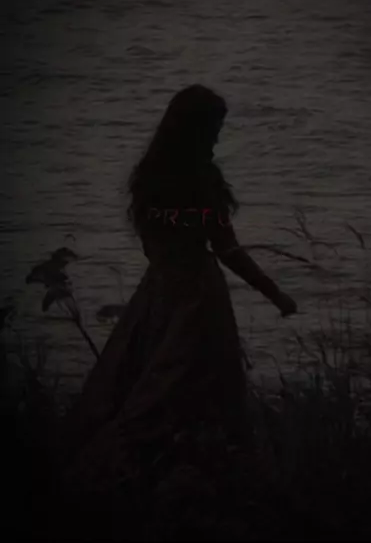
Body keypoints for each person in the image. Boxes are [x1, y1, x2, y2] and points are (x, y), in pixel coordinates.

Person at [58, 84, 297, 496]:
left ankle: (137, 473)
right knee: (195, 383)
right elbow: (228, 249)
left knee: (142, 379)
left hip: (157, 292)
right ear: (196, 130)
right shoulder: (203, 180)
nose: (216, 140)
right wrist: (274, 293)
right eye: (214, 131)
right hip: (198, 297)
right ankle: (200, 474)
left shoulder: (149, 178)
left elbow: (151, 244)